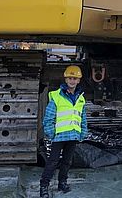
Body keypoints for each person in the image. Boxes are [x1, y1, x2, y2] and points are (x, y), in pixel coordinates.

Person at [39, 65, 88, 197]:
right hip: (59, 136)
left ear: (78, 81)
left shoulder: (80, 98)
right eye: (70, 78)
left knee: (67, 161)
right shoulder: (56, 97)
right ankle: (44, 186)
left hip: (73, 135)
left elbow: (82, 117)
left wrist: (83, 132)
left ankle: (62, 183)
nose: (72, 81)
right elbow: (48, 118)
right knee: (52, 162)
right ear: (66, 80)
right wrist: (51, 133)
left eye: (75, 78)